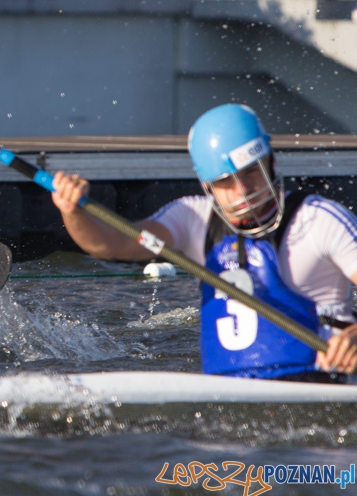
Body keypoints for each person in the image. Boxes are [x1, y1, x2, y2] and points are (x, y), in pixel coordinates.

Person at [52, 103, 357, 381]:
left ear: (271, 162)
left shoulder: (319, 219)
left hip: (322, 382)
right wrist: (73, 212)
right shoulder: (193, 218)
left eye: (251, 171)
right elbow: (112, 244)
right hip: (229, 396)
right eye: (225, 181)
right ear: (207, 184)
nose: (241, 190)